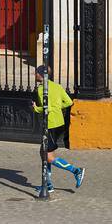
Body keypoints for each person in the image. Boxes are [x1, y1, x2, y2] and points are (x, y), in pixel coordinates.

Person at [33, 66, 85, 194]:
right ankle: (48, 184)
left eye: (36, 73)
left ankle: (76, 171)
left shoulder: (41, 89)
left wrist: (35, 108)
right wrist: (57, 107)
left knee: (47, 156)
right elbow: (68, 102)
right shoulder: (57, 86)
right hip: (60, 123)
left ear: (41, 75)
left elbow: (47, 108)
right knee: (44, 152)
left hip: (50, 124)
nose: (34, 75)